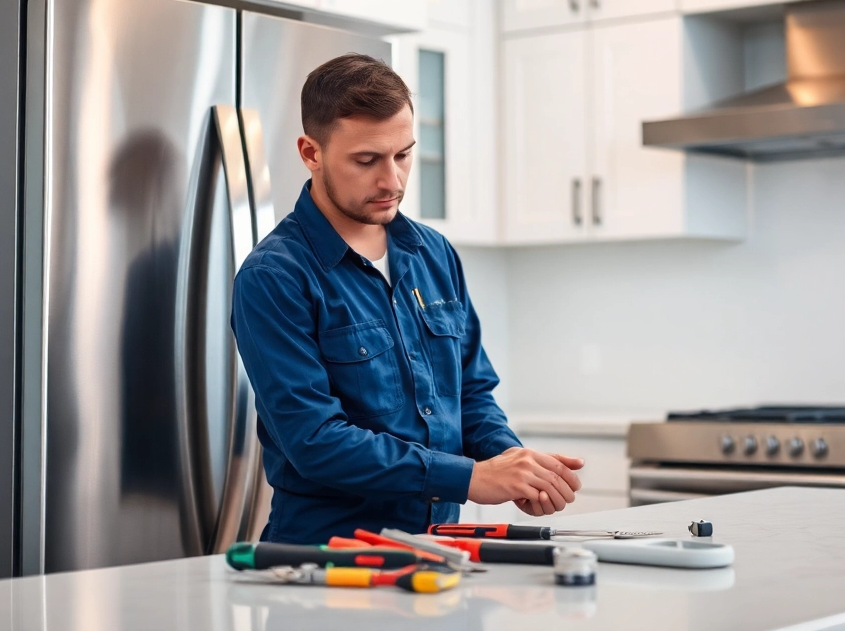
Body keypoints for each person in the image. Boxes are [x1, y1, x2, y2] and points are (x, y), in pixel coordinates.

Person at [231, 53, 583, 544]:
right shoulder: (275, 276)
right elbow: (315, 440)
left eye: (403, 155)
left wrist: (509, 462)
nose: (392, 181)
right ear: (311, 153)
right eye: (366, 160)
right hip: (328, 567)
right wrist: (469, 478)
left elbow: (471, 393)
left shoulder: (433, 253)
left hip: (440, 553)